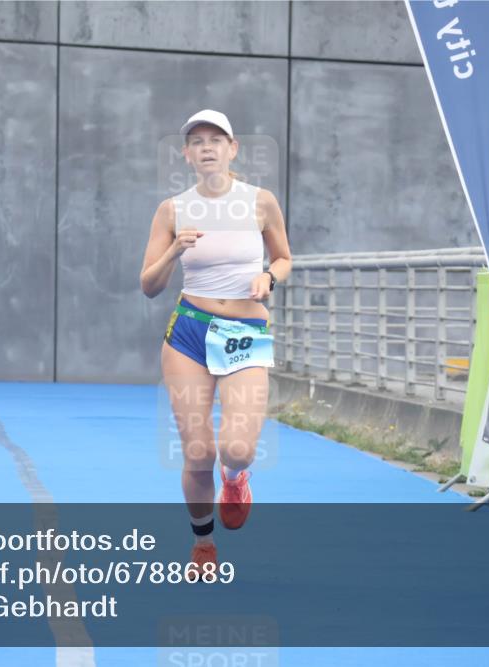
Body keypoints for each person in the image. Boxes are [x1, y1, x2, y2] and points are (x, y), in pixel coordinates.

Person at [139, 109, 292, 576]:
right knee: (198, 451)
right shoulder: (172, 209)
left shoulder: (260, 202)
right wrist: (175, 249)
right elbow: (148, 284)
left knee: (237, 449)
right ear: (186, 154)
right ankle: (203, 543)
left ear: (232, 149)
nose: (207, 146)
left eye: (216, 139)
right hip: (188, 332)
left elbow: (284, 257)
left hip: (244, 332)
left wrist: (268, 277)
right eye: (197, 140)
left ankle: (237, 478)